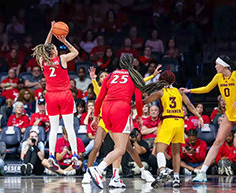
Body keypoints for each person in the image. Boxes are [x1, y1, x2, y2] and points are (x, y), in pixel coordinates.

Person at [180, 55, 236, 183]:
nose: (215, 66)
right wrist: (189, 90)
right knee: (217, 141)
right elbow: (206, 88)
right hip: (230, 112)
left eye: (217, 64)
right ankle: (203, 172)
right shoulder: (218, 77)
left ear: (224, 65)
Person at [88, 54, 161, 189]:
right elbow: (138, 100)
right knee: (121, 149)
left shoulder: (110, 76)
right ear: (131, 64)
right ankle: (98, 170)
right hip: (121, 109)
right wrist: (139, 115)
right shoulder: (134, 75)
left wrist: (97, 115)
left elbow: (99, 99)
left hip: (106, 110)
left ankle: (115, 178)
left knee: (118, 146)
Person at [32, 21, 80, 171]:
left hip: (51, 96)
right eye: (54, 48)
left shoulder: (43, 61)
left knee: (54, 128)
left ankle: (51, 155)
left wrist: (51, 32)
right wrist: (63, 40)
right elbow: (76, 53)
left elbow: (43, 49)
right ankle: (75, 155)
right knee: (69, 127)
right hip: (65, 95)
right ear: (53, 52)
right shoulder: (62, 59)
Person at [142, 70, 203, 188]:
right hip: (179, 122)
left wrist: (130, 107)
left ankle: (163, 171)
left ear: (161, 81)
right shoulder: (179, 92)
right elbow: (189, 105)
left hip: (167, 121)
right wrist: (199, 117)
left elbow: (145, 101)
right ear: (173, 81)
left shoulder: (161, 92)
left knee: (159, 149)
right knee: (176, 153)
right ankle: (176, 178)